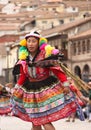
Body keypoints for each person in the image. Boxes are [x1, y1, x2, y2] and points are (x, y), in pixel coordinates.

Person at [11, 31, 80, 130]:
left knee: (45, 121)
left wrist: (65, 85)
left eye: (33, 41)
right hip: (30, 92)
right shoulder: (23, 58)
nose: (30, 44)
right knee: (35, 123)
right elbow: (23, 76)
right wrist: (16, 88)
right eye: (29, 41)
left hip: (45, 91)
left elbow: (57, 71)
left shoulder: (45, 55)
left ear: (39, 42)